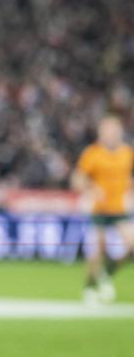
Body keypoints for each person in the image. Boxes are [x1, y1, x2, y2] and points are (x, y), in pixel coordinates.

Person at [71, 115, 134, 303]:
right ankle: (89, 286)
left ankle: (107, 272)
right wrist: (92, 188)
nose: (111, 134)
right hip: (98, 209)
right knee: (96, 250)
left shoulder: (127, 153)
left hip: (118, 209)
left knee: (132, 244)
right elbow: (77, 179)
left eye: (114, 130)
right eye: (107, 131)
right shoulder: (93, 153)